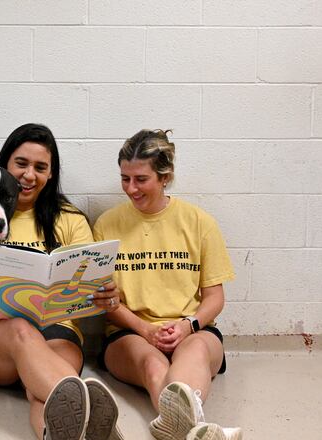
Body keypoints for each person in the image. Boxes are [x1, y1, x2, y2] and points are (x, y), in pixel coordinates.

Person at [0, 123, 124, 440]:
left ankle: (58, 432)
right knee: (22, 332)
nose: (29, 175)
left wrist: (105, 295)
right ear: (5, 163)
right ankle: (103, 428)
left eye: (40, 167)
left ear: (51, 174)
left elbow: (92, 287)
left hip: (58, 330)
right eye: (21, 163)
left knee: (50, 393)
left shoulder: (69, 219)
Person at [92, 129, 243, 440]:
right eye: (124, 178)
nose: (130, 188)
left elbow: (214, 298)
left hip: (193, 329)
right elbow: (108, 304)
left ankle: (183, 429)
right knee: (152, 365)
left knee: (196, 352)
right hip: (129, 333)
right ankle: (200, 432)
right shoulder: (107, 224)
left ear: (165, 177)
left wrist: (188, 326)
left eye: (140, 179)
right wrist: (146, 330)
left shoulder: (200, 222)